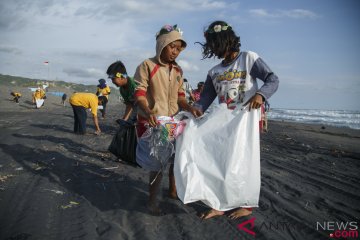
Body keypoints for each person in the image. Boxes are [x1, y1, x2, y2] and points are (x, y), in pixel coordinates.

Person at [194, 20, 279, 219]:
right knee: (222, 161)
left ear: (226, 40)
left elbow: (272, 79)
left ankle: (245, 204)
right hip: (224, 122)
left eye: (215, 44)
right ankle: (220, 203)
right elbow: (206, 98)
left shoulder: (249, 59)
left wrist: (260, 95)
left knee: (244, 161)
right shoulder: (214, 72)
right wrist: (195, 110)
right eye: (211, 45)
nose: (213, 49)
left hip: (246, 121)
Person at [133, 24, 201, 215]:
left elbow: (180, 97)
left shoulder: (178, 71)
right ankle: (152, 202)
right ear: (162, 44)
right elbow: (139, 95)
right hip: (153, 121)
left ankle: (172, 191)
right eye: (173, 47)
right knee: (157, 165)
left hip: (172, 121)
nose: (175, 52)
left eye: (179, 49)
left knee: (175, 157)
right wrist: (148, 111)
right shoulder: (147, 65)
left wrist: (190, 107)